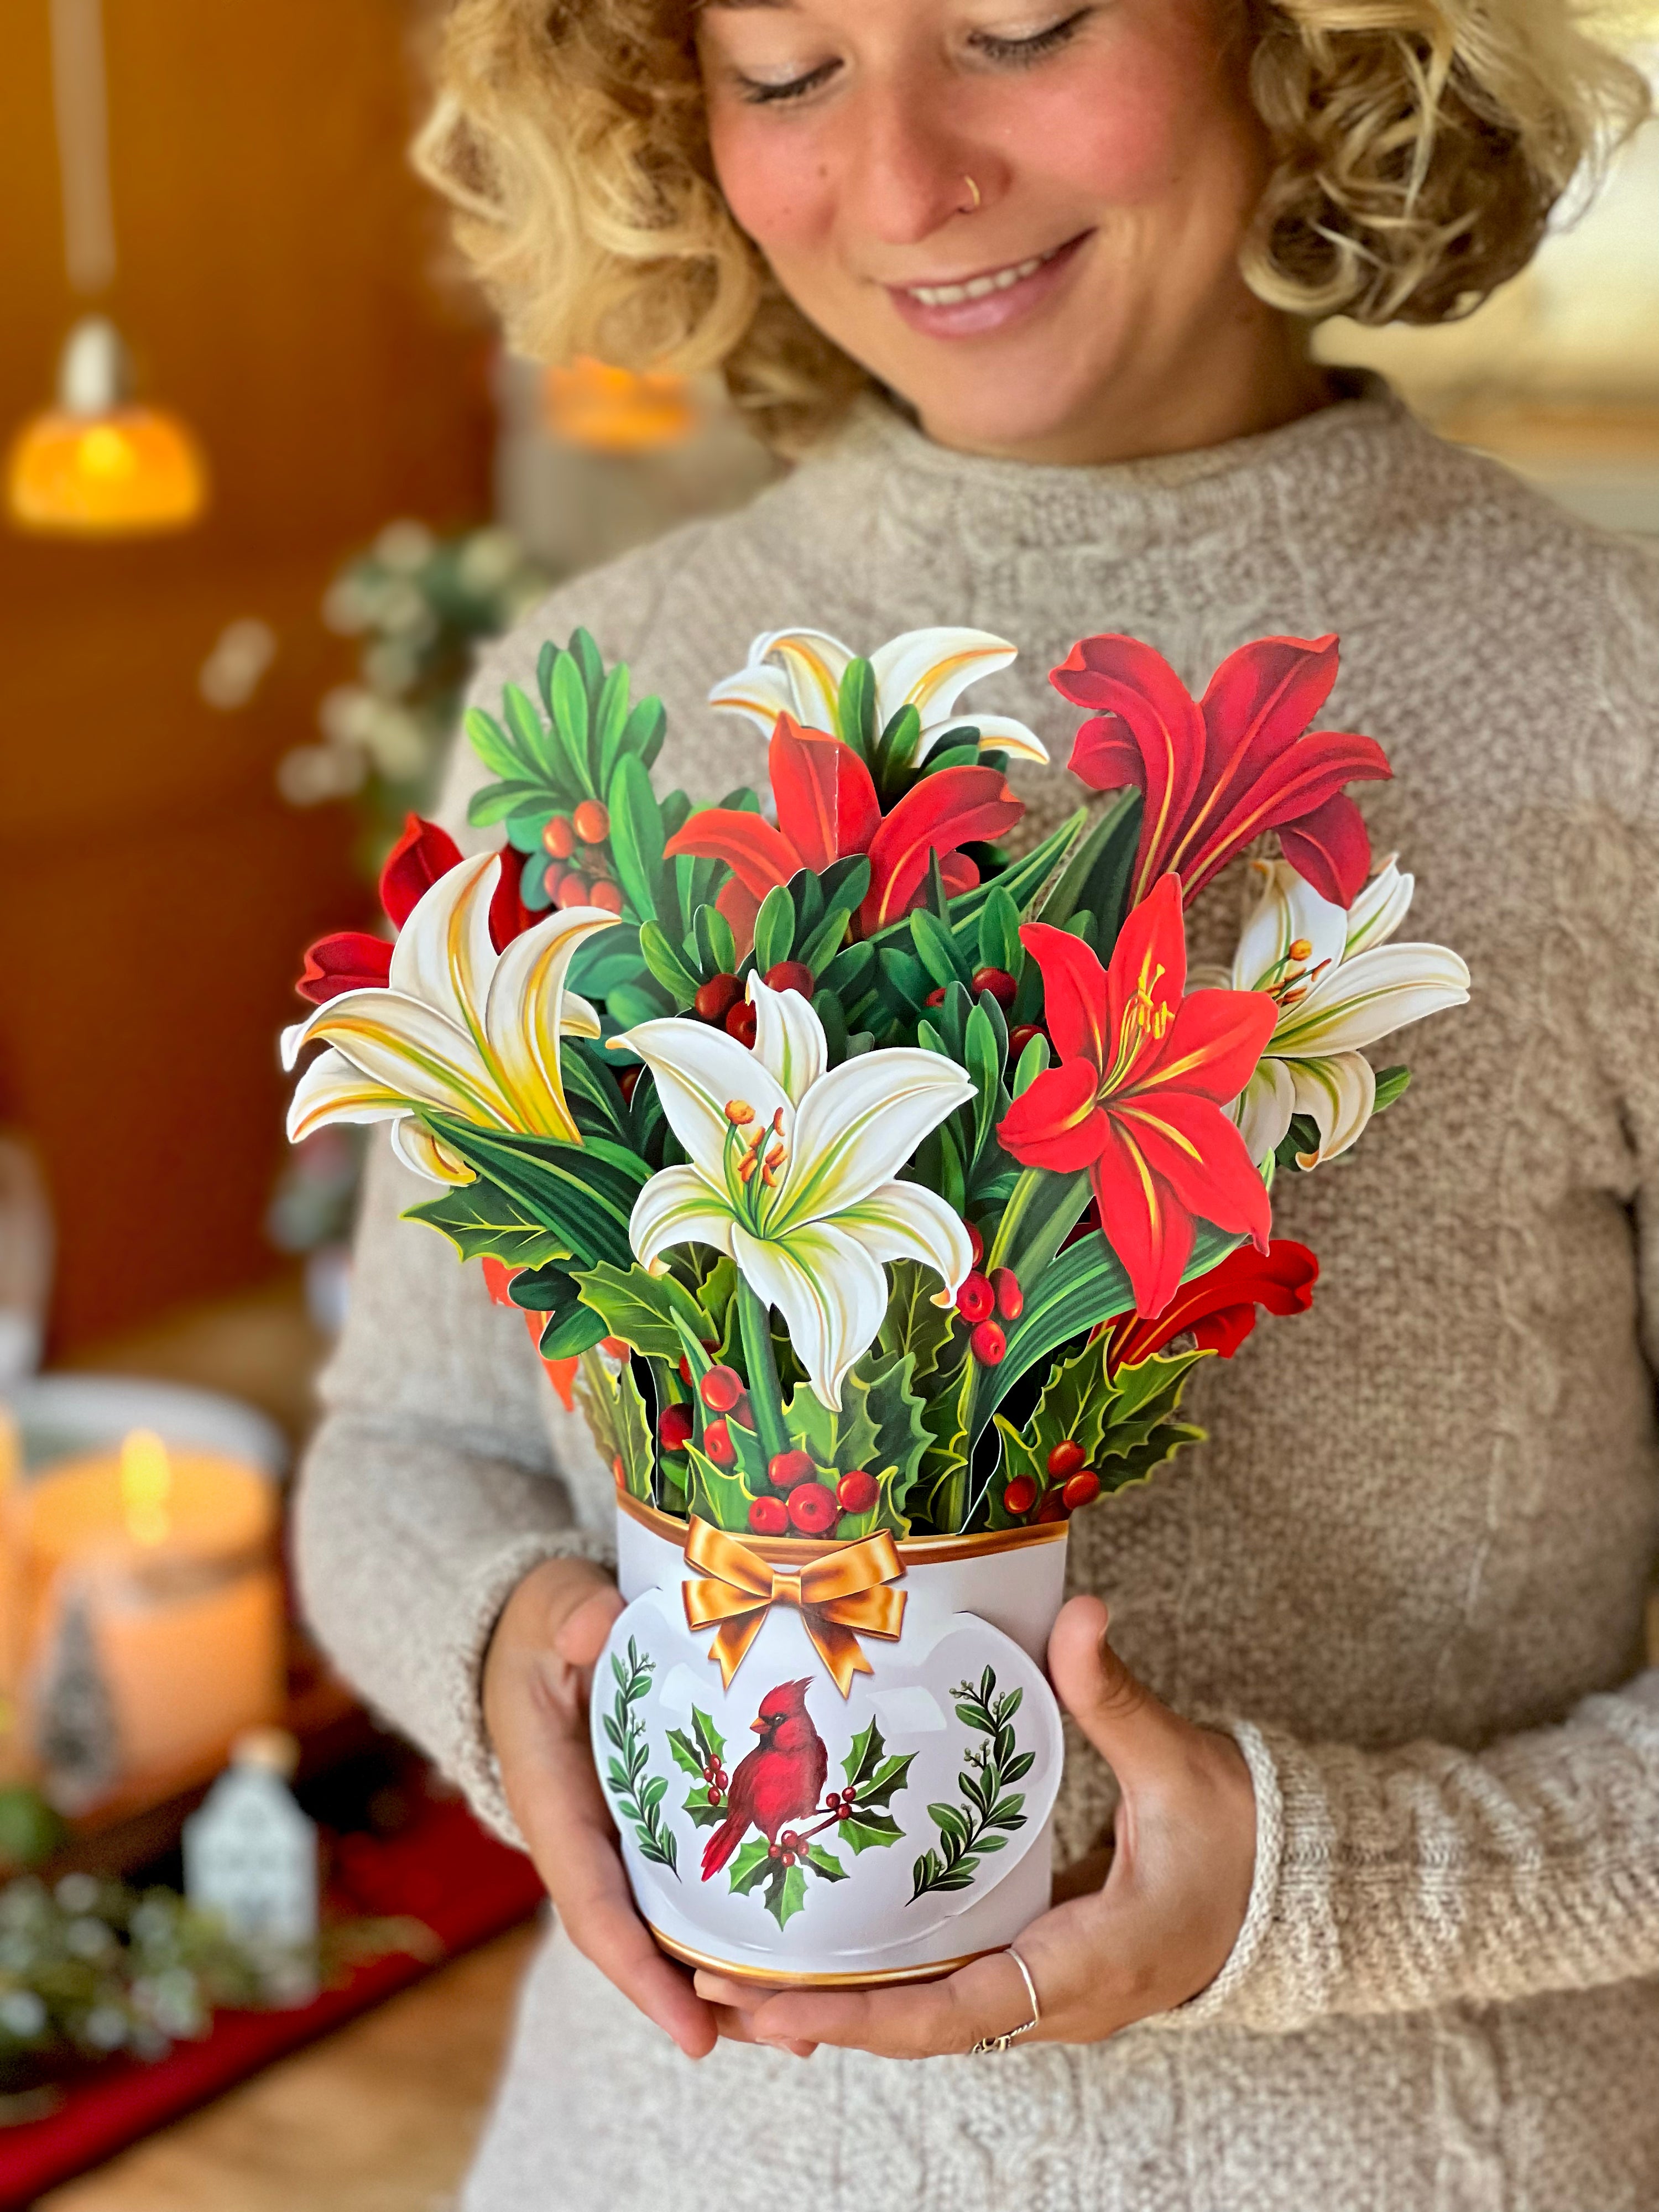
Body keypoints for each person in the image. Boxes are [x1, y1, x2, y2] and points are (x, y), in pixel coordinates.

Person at [295, 1, 1659, 2204]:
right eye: (785, 70)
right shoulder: (598, 686)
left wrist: (1310, 1886)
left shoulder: (1614, 716)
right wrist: (519, 1655)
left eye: (1017, 20)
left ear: (1294, 33)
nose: (907, 178)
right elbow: (406, 1438)